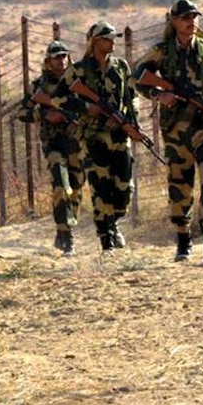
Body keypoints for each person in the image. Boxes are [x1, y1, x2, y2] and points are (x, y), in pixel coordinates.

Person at [133, 0, 203, 263]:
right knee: (180, 187)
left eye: (194, 17)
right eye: (185, 17)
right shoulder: (161, 51)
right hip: (176, 131)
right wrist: (158, 94)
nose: (191, 22)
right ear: (174, 21)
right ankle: (183, 240)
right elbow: (137, 78)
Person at [67, 21, 140, 252]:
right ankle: (106, 238)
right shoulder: (79, 70)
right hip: (93, 138)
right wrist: (87, 108)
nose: (112, 42)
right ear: (95, 41)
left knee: (124, 190)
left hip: (119, 137)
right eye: (108, 38)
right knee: (101, 188)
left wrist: (129, 120)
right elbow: (60, 99)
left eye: (113, 38)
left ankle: (114, 222)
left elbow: (131, 96)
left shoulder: (121, 66)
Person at [16, 39, 85, 256]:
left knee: (76, 188)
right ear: (48, 61)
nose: (61, 61)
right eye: (57, 57)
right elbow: (22, 113)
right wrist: (45, 114)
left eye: (64, 56)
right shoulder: (39, 86)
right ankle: (66, 235)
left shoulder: (77, 83)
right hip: (53, 143)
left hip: (77, 143)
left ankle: (64, 228)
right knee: (60, 186)